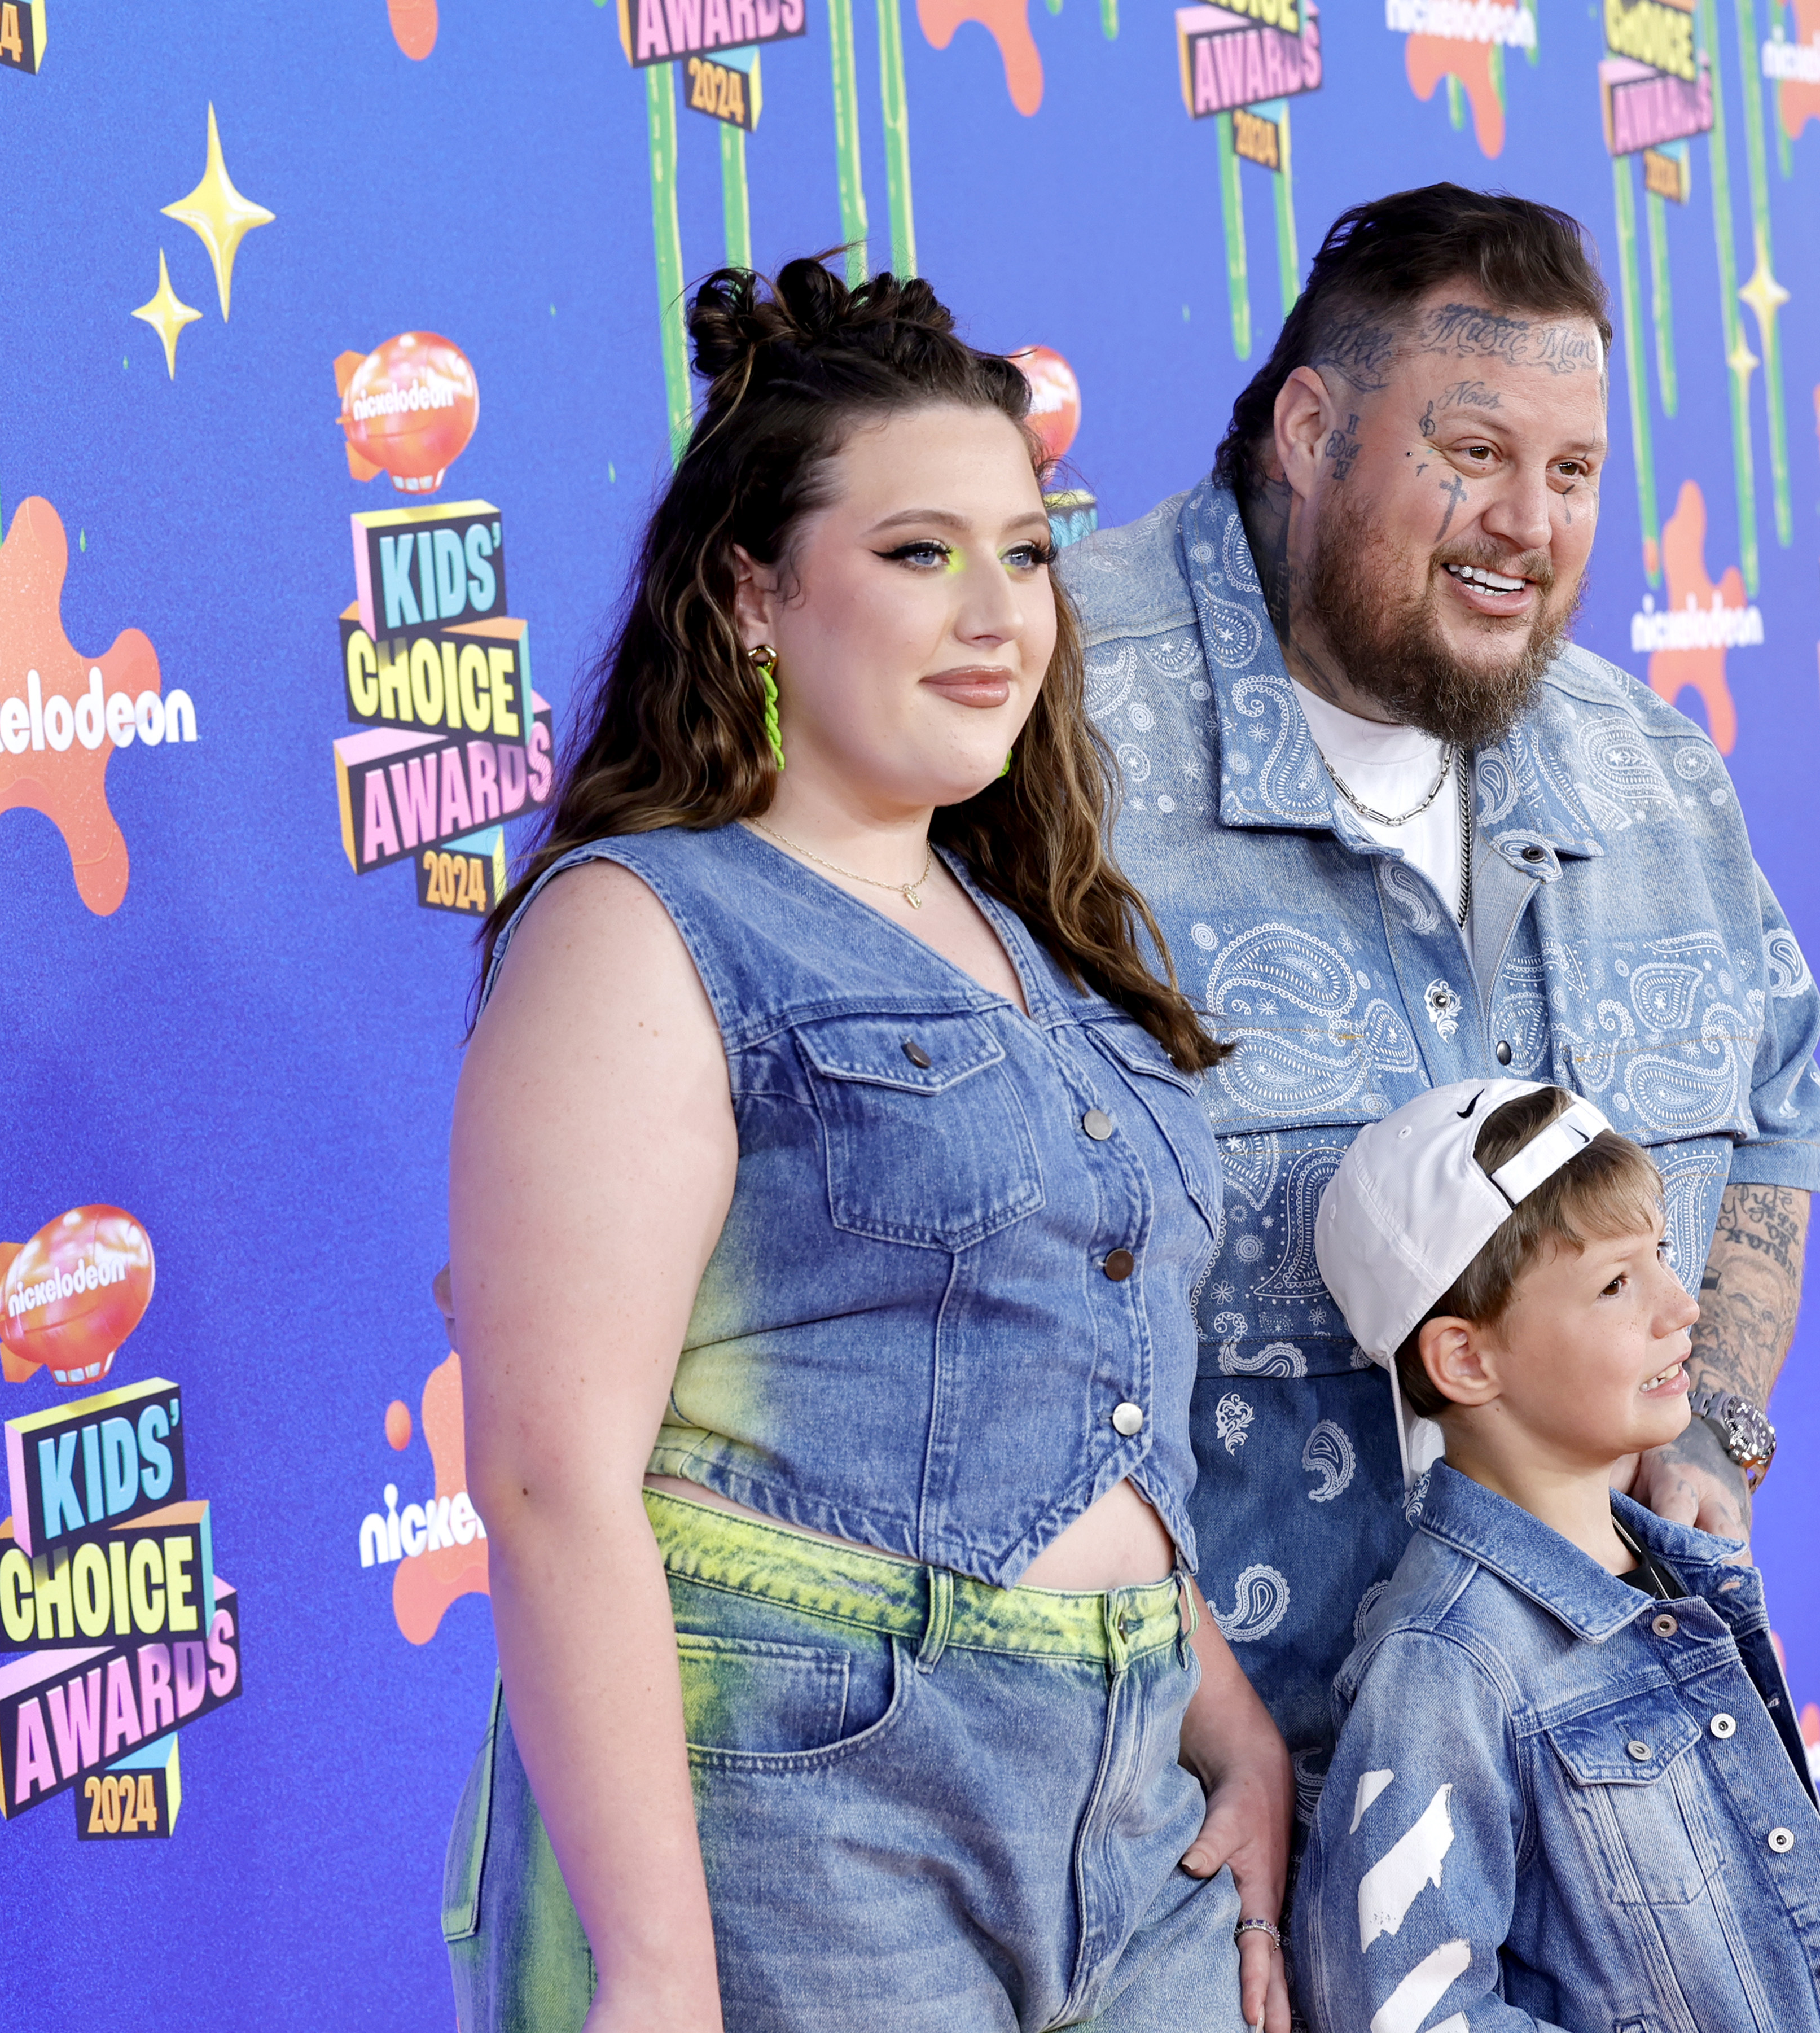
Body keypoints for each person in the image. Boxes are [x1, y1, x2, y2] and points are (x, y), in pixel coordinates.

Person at [444, 256, 1295, 2033]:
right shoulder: (644, 926)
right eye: (920, 552)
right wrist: (660, 1969)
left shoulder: (1040, 932)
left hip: (1136, 1829)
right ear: (755, 593)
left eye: (1029, 549)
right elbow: (545, 1478)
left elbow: (1066, 1399)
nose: (999, 610)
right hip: (809, 1822)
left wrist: (1230, 1721)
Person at [1059, 184, 1820, 1802]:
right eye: (1471, 453)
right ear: (1312, 428)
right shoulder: (1040, 734)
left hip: (1588, 1790)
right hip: (1184, 1846)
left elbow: (1771, 1114)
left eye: (1572, 473)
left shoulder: (1652, 769)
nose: (1528, 526)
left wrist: (1715, 1433)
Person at [1293, 1082, 1820, 2032]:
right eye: (1616, 1283)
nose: (1682, 1308)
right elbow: (1402, 2011)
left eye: (1664, 1258)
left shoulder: (1680, 1573)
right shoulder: (1445, 1666)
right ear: (1467, 1360)